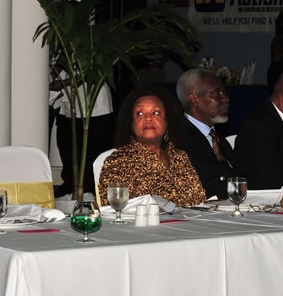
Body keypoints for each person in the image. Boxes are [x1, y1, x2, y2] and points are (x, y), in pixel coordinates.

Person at [98, 87, 205, 206]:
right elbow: (112, 209)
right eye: (140, 113)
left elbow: (199, 201)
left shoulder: (180, 157)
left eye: (156, 113)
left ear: (167, 121)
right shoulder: (118, 162)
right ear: (131, 124)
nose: (148, 118)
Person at [51, 63, 115, 198]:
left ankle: (92, 191)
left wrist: (63, 83)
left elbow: (92, 71)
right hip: (69, 104)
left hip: (94, 104)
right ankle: (71, 187)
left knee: (94, 152)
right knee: (66, 146)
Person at [176, 68, 241, 199]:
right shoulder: (179, 138)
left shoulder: (218, 139)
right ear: (194, 99)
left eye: (224, 93)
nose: (225, 99)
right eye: (216, 93)